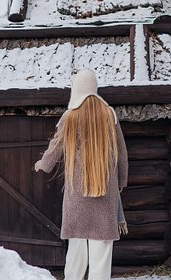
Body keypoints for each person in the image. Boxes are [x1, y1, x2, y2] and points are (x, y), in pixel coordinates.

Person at [34, 69, 128, 280]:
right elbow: (122, 153)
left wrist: (44, 164)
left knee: (75, 255)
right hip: (105, 196)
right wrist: (121, 182)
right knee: (101, 258)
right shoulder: (109, 115)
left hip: (77, 197)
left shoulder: (70, 116)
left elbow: (55, 146)